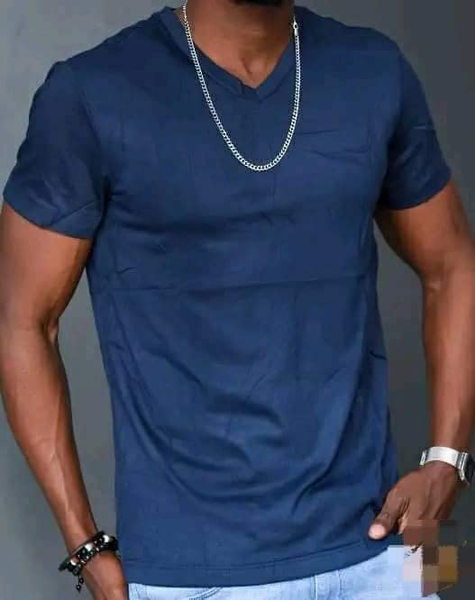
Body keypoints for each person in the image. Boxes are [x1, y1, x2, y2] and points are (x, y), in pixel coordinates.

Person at [0, 0, 474, 598]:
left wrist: (449, 462)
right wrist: (84, 546)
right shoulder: (90, 92)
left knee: (449, 572)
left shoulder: (375, 69)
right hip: (193, 576)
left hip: (391, 551)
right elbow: (21, 320)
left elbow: (455, 264)